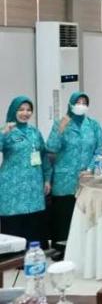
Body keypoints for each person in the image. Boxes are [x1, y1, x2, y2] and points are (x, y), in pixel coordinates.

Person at [46, 92, 102, 252]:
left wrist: (90, 168)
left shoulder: (93, 125)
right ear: (71, 104)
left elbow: (98, 150)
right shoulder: (61, 123)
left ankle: (84, 250)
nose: (81, 105)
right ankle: (62, 249)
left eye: (84, 103)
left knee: (85, 214)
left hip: (87, 178)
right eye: (78, 102)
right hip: (65, 179)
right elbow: (51, 147)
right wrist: (60, 129)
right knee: (64, 215)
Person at [0, 96, 52, 246]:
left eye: (29, 110)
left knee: (35, 224)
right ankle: (15, 256)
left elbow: (43, 156)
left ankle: (35, 254)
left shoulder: (34, 132)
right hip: (12, 188)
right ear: (13, 111)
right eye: (21, 109)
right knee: (14, 224)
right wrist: (3, 133)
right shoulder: (6, 130)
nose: (25, 113)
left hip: (34, 186)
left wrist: (47, 178)